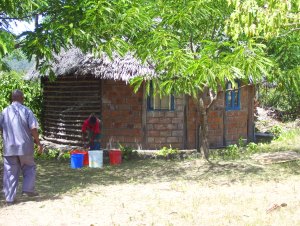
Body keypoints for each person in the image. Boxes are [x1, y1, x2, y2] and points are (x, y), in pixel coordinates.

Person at [0, 89, 43, 205]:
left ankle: (9, 199)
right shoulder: (26, 111)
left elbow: (1, 128)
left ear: (12, 99)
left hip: (9, 148)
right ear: (22, 98)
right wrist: (38, 143)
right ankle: (28, 189)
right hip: (25, 147)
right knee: (29, 167)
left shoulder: (4, 112)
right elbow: (33, 128)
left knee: (10, 172)